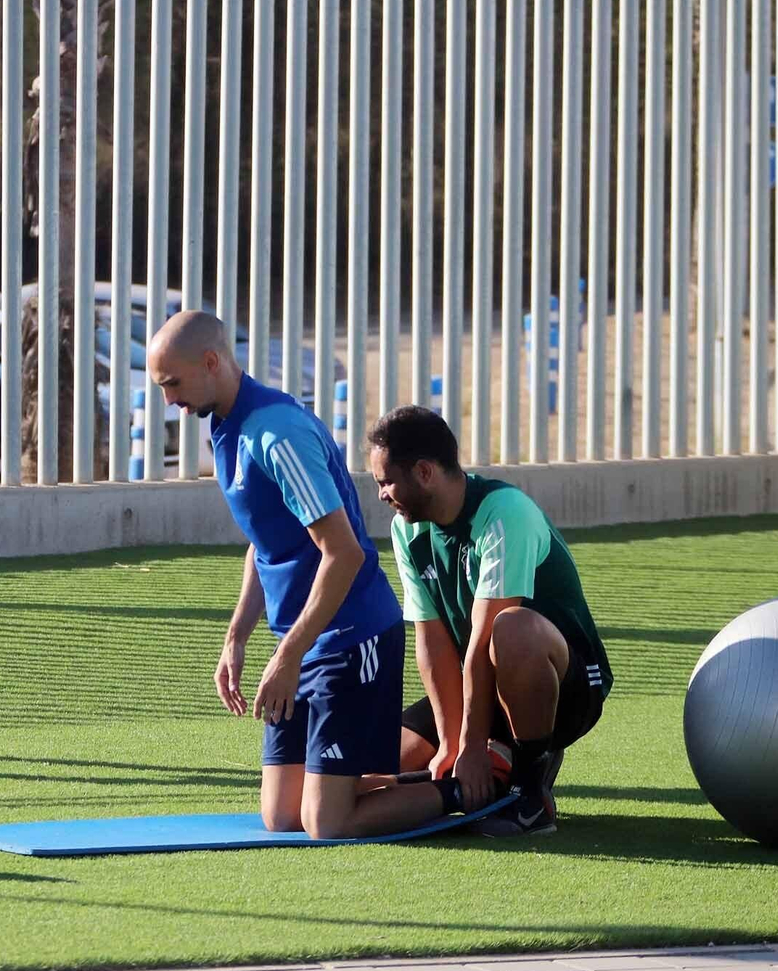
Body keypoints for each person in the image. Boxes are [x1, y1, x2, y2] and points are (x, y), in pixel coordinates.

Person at [148, 311, 468, 839]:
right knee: (281, 817)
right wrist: (236, 638)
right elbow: (267, 541)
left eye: (173, 384)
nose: (169, 401)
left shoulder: (277, 435)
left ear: (211, 362)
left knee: (326, 823)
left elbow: (344, 554)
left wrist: (288, 656)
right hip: (301, 643)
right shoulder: (226, 427)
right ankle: (408, 769)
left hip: (350, 638)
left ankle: (473, 787)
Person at [365, 404, 614, 836]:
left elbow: (483, 641)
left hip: (568, 687)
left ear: (424, 472)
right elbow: (433, 641)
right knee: (371, 769)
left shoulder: (504, 513)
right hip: (483, 688)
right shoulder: (407, 529)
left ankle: (530, 786)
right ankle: (502, 760)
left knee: (511, 627)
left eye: (386, 482)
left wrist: (472, 746)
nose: (382, 494)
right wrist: (449, 742)